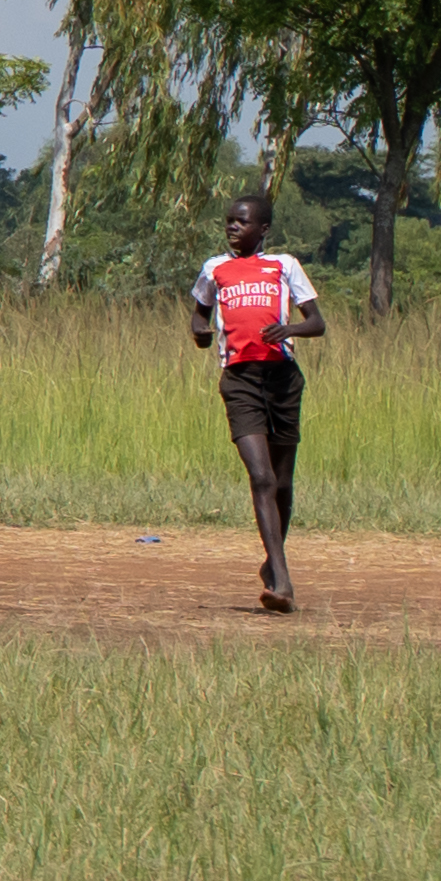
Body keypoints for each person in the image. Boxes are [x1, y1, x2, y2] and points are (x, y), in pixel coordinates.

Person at [195, 188, 328, 615]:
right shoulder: (216, 269)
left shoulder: (283, 265)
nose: (233, 227)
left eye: (242, 221)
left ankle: (272, 564)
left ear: (263, 229)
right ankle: (283, 582)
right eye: (230, 221)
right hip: (240, 381)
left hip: (283, 380)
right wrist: (199, 331)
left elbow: (317, 324)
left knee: (283, 483)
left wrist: (288, 331)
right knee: (262, 478)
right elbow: (199, 312)